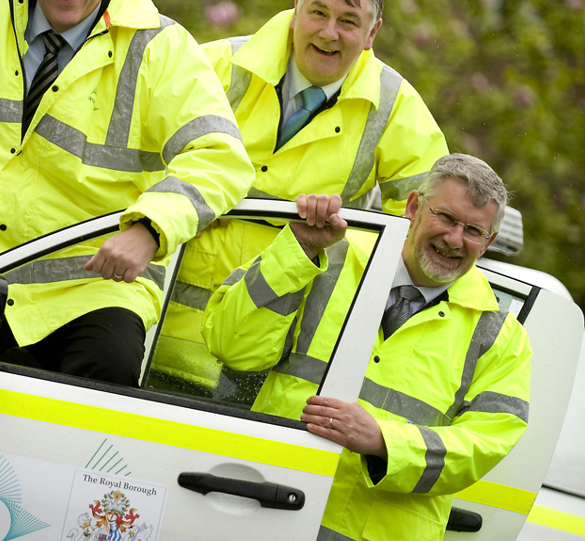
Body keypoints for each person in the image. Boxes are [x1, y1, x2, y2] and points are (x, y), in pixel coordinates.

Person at [0, 0, 254, 386]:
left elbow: (222, 158)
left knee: (97, 412)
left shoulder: (160, 48)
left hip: (90, 291)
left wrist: (149, 229)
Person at [149, 0, 448, 398]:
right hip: (156, 338)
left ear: (373, 34)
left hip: (273, 367)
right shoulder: (216, 65)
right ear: (295, 10)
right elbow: (136, 173)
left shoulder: (396, 107)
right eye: (318, 13)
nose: (329, 33)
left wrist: (341, 240)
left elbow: (428, 225)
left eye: (349, 21)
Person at [201, 154, 531, 540]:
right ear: (413, 207)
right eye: (446, 217)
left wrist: (383, 441)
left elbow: (488, 441)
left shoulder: (501, 334)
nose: (455, 239)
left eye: (473, 230)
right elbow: (232, 344)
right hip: (267, 510)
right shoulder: (327, 255)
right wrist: (300, 250)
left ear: (488, 242)